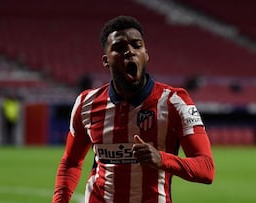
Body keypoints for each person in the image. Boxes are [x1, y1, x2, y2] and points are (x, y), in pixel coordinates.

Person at [53, 15, 215, 203]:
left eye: (136, 45)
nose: (130, 51)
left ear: (146, 54)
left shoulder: (175, 102)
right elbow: (71, 162)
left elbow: (206, 169)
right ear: (106, 61)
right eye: (120, 48)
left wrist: (161, 159)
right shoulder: (85, 103)